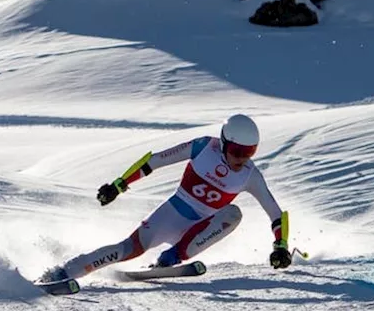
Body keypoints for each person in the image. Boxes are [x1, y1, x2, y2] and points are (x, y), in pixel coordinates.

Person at [38, 114, 290, 285]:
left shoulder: (250, 175)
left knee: (233, 214)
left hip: (200, 229)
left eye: (250, 153)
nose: (241, 159)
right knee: (127, 249)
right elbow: (154, 160)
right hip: (170, 215)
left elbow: (276, 213)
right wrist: (119, 184)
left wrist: (281, 247)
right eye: (237, 152)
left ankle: (171, 258)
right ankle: (62, 272)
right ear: (224, 142)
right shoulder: (203, 147)